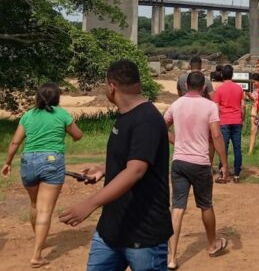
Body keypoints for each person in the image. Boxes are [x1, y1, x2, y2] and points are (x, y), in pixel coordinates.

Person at [59, 60, 172, 271]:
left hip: (143, 234)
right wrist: (104, 169)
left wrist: (89, 204)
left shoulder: (146, 119)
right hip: (111, 230)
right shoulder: (125, 116)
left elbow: (136, 170)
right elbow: (131, 159)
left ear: (111, 86)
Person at [1, 83, 84, 268]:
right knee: (45, 209)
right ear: (57, 98)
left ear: (37, 97)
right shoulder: (61, 114)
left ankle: (39, 238)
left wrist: (7, 163)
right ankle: (37, 255)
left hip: (28, 161)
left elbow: (15, 142)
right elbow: (78, 135)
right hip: (52, 161)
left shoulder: (28, 115)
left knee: (34, 204)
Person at [164, 71, 230, 268]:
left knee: (177, 207)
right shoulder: (210, 106)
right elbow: (217, 136)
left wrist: (176, 141)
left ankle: (172, 257)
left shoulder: (176, 105)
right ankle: (211, 245)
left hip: (179, 162)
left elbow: (162, 125)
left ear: (186, 86)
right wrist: (224, 164)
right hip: (200, 163)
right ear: (202, 87)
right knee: (205, 205)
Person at [211, 64, 245, 182]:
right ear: (232, 75)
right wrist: (243, 119)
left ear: (221, 75)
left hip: (224, 121)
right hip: (237, 120)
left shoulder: (219, 90)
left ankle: (223, 171)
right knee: (237, 147)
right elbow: (243, 106)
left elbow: (216, 108)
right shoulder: (239, 88)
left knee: (223, 147)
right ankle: (236, 174)